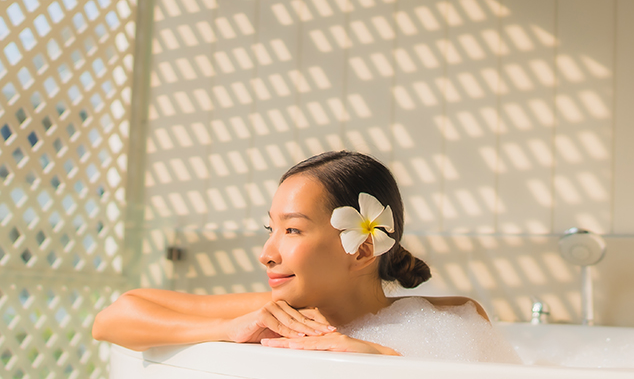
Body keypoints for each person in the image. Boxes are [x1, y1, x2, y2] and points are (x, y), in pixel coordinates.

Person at [92, 151, 506, 360]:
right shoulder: (279, 318)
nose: (267, 254)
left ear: (362, 247)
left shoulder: (455, 321)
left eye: (291, 230)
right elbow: (112, 318)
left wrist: (382, 356)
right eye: (270, 229)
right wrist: (226, 329)